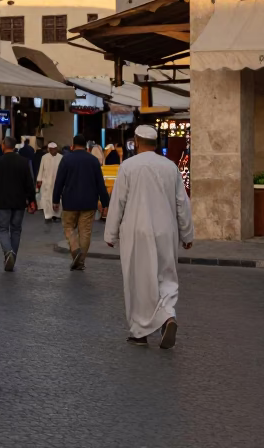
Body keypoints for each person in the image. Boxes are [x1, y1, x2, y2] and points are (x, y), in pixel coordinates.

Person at [104, 125, 194, 348]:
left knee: (138, 280)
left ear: (136, 140)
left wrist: (111, 233)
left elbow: (119, 202)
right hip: (166, 229)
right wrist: (187, 233)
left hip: (137, 231)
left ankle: (139, 332)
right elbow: (182, 203)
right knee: (166, 276)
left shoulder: (128, 166)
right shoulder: (170, 167)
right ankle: (168, 316)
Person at [53, 134, 110, 271]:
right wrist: (105, 203)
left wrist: (55, 199)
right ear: (86, 146)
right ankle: (81, 260)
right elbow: (100, 184)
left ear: (73, 145)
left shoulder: (66, 159)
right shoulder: (93, 161)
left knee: (68, 227)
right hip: (89, 202)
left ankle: (75, 249)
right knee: (85, 232)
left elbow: (59, 181)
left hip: (70, 201)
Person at [0, 136, 37, 272]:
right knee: (16, 230)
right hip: (19, 202)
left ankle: (8, 252)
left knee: (3, 229)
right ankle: (12, 256)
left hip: (2, 201)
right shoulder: (23, 162)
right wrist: (31, 200)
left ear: (4, 145)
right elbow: (29, 182)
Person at [36, 142, 63, 224]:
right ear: (49, 149)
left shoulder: (61, 157)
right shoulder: (44, 157)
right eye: (51, 150)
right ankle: (48, 216)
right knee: (47, 199)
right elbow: (41, 169)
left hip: (57, 181)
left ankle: (57, 215)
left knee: (58, 199)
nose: (53, 151)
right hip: (46, 181)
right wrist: (39, 180)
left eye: (54, 149)